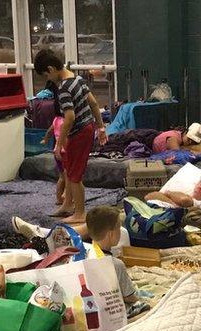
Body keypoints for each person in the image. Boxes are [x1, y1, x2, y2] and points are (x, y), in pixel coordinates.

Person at [34, 49, 108, 224]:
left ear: (51, 69)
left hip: (79, 132)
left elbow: (69, 118)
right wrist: (101, 127)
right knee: (68, 170)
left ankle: (80, 213)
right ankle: (68, 204)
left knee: (74, 175)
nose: (47, 79)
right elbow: (94, 103)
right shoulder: (78, 79)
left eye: (46, 75)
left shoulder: (63, 89)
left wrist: (59, 144)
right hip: (86, 128)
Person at [85, 206, 137, 305]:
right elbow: (129, 297)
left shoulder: (84, 252)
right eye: (119, 228)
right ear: (111, 234)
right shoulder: (116, 265)